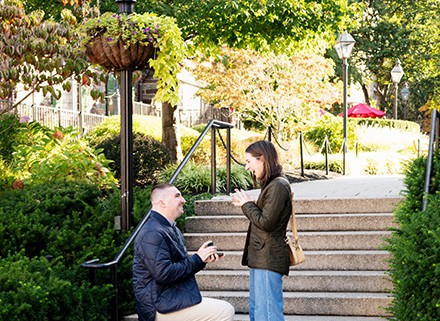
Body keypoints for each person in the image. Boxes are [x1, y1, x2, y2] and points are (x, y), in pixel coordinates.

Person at [133, 183, 235, 321]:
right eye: (177, 196)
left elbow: (178, 266)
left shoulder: (169, 228)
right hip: (157, 306)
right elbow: (164, 274)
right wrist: (197, 259)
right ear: (162, 203)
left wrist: (201, 260)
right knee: (224, 311)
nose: (184, 200)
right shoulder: (152, 232)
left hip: (169, 298)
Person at [231, 140, 292, 321]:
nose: (247, 167)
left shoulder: (278, 186)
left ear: (263, 159)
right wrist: (247, 203)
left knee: (267, 314)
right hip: (262, 257)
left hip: (268, 257)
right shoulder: (272, 185)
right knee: (258, 312)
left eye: (249, 162)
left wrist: (247, 204)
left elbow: (266, 223)